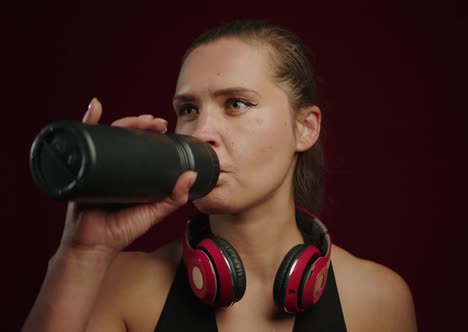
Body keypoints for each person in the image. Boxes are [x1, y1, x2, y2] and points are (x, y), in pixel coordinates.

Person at [22, 20, 417, 332]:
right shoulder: (125, 287)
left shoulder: (377, 299)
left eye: (237, 103)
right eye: (189, 109)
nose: (201, 131)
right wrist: (80, 255)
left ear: (305, 128)